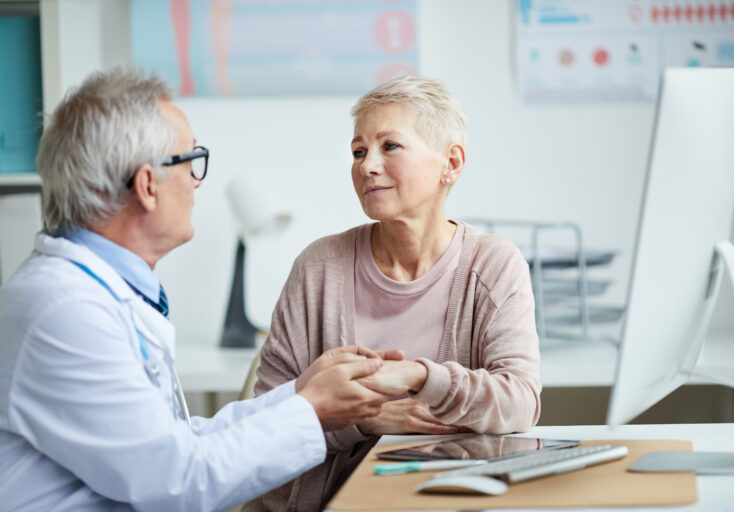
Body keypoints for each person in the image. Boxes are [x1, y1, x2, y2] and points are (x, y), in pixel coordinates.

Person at [0, 66, 405, 512]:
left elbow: (177, 443)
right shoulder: (64, 310)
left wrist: (300, 393)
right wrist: (313, 410)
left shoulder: (96, 292)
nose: (197, 181)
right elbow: (178, 481)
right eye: (190, 160)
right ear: (147, 185)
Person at [244, 76, 542, 512]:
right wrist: (362, 422)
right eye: (359, 152)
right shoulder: (319, 268)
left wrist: (420, 377)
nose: (367, 165)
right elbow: (262, 427)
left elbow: (519, 403)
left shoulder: (493, 264)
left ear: (451, 163)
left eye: (390, 147)